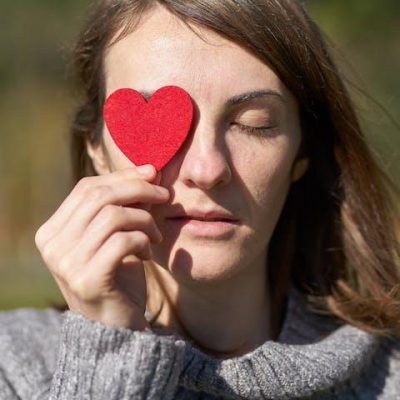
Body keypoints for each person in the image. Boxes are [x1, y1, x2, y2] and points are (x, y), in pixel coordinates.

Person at [1, 0, 399, 398]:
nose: (207, 170)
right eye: (160, 130)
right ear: (98, 148)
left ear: (302, 151)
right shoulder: (13, 367)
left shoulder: (387, 378)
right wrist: (108, 349)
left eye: (252, 124)